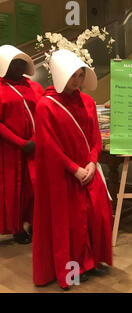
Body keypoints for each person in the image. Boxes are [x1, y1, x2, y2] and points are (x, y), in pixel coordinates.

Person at [32, 49, 112, 290]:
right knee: (71, 223)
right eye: (72, 76)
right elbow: (49, 145)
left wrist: (91, 161)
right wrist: (74, 169)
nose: (77, 81)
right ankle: (76, 269)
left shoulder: (87, 101)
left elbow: (95, 138)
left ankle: (93, 260)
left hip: (88, 168)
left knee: (96, 215)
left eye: (80, 75)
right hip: (64, 175)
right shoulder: (46, 106)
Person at [0, 45, 43, 244]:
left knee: (36, 186)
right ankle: (17, 227)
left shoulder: (34, 87)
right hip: (11, 150)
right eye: (13, 63)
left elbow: (45, 113)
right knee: (15, 188)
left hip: (36, 146)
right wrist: (20, 142)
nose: (18, 67)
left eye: (21, 62)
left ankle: (36, 223)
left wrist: (36, 139)